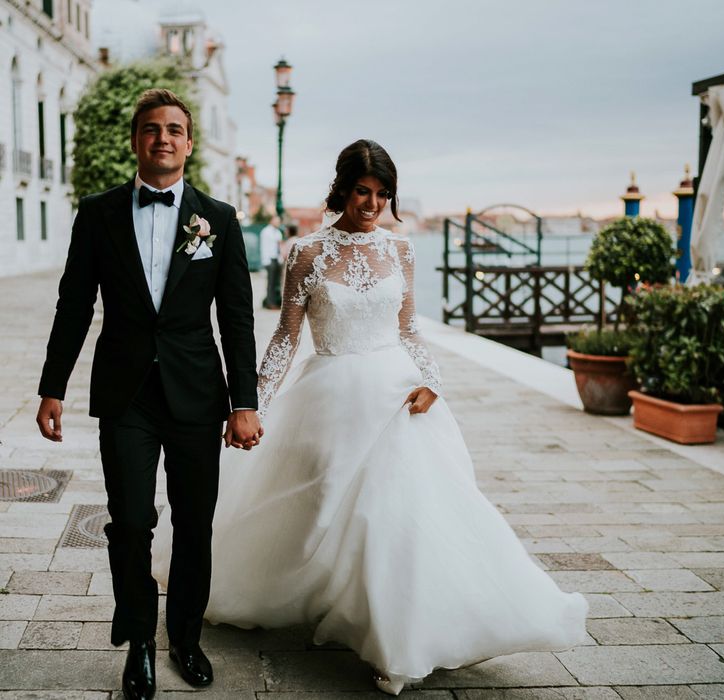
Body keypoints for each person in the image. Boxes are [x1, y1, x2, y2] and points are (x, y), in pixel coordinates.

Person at [153, 139, 588, 696]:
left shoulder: (401, 251)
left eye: (383, 194)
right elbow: (287, 336)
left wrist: (433, 380)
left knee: (398, 518)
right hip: (330, 398)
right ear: (342, 189)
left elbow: (409, 330)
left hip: (399, 398)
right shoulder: (307, 252)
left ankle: (399, 641)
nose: (373, 203)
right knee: (333, 518)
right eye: (364, 191)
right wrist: (253, 404)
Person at [36, 88, 262, 700]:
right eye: (151, 129)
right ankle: (137, 640)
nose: (162, 138)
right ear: (136, 140)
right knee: (131, 522)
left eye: (173, 130)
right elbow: (74, 304)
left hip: (196, 393)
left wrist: (246, 402)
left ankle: (185, 637)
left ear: (188, 143)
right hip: (126, 393)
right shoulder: (98, 213)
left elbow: (236, 317)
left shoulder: (217, 218)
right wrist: (51, 387)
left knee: (194, 523)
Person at [260, 215, 283, 309]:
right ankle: (270, 303)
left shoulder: (278, 232)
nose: (278, 222)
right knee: (271, 282)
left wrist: (280, 258)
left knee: (277, 282)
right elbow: (264, 247)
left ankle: (276, 302)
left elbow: (280, 246)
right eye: (276, 221)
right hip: (269, 260)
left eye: (279, 221)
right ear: (271, 221)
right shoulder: (265, 232)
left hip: (277, 259)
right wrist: (266, 261)